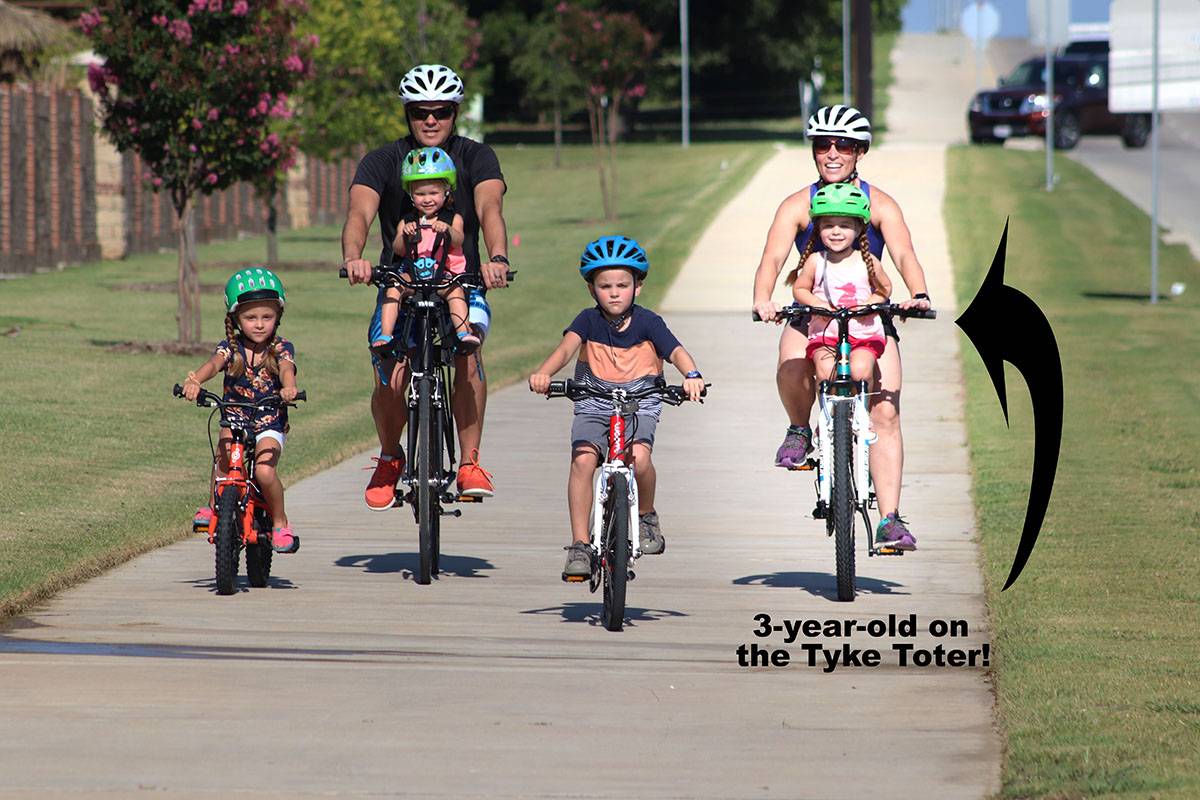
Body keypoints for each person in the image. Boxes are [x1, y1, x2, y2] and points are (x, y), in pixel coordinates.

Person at [752, 104, 931, 550]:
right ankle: (799, 429)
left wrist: (919, 292)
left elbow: (905, 254)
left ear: (860, 151)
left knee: (886, 410)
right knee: (792, 362)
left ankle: (889, 520)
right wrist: (763, 299)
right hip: (814, 312)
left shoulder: (879, 203)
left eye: (844, 145)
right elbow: (773, 259)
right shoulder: (798, 204)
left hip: (867, 315)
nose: (833, 153)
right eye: (823, 144)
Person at [342, 64, 509, 510]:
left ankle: (470, 462)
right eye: (420, 112)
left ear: (455, 113)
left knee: (467, 354)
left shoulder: (477, 157)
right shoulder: (382, 160)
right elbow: (359, 213)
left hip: (460, 280)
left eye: (440, 111)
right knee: (389, 368)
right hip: (400, 283)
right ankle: (391, 457)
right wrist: (354, 258)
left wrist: (497, 259)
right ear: (408, 115)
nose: (430, 121)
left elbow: (489, 207)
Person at [528, 236, 706, 579]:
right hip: (594, 400)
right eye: (604, 285)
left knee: (639, 458)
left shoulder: (649, 322)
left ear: (637, 287)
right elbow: (566, 350)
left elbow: (676, 351)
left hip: (641, 401)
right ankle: (580, 545)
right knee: (583, 459)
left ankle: (647, 516)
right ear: (591, 289)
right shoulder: (587, 320)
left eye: (622, 285)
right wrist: (544, 374)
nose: (614, 292)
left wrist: (692, 375)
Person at [183, 268, 300, 554]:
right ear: (235, 319)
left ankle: (280, 522)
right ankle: (213, 508)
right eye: (250, 318)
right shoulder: (230, 348)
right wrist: (196, 380)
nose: (259, 325)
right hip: (235, 414)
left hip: (269, 419)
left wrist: (289, 387)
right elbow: (213, 365)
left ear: (278, 317)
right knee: (223, 455)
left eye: (267, 317)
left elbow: (286, 368)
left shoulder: (281, 348)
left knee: (263, 470)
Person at [373, 146, 478, 356]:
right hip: (414, 276)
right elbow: (398, 250)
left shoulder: (452, 218)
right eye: (420, 194)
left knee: (455, 291)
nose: (427, 199)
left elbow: (459, 240)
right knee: (393, 285)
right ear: (411, 194)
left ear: (447, 190)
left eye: (433, 193)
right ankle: (385, 335)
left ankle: (463, 333)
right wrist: (405, 236)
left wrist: (447, 230)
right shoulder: (408, 220)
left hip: (443, 277)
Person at [789, 182, 892, 386]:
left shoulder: (868, 261)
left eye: (844, 225)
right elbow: (799, 288)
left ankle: (863, 413)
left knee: (861, 370)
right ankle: (827, 416)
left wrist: (870, 303)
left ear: (858, 228)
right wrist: (817, 304)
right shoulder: (815, 261)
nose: (836, 231)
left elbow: (885, 288)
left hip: (863, 332)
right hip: (826, 332)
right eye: (828, 226)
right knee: (826, 371)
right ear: (818, 229)